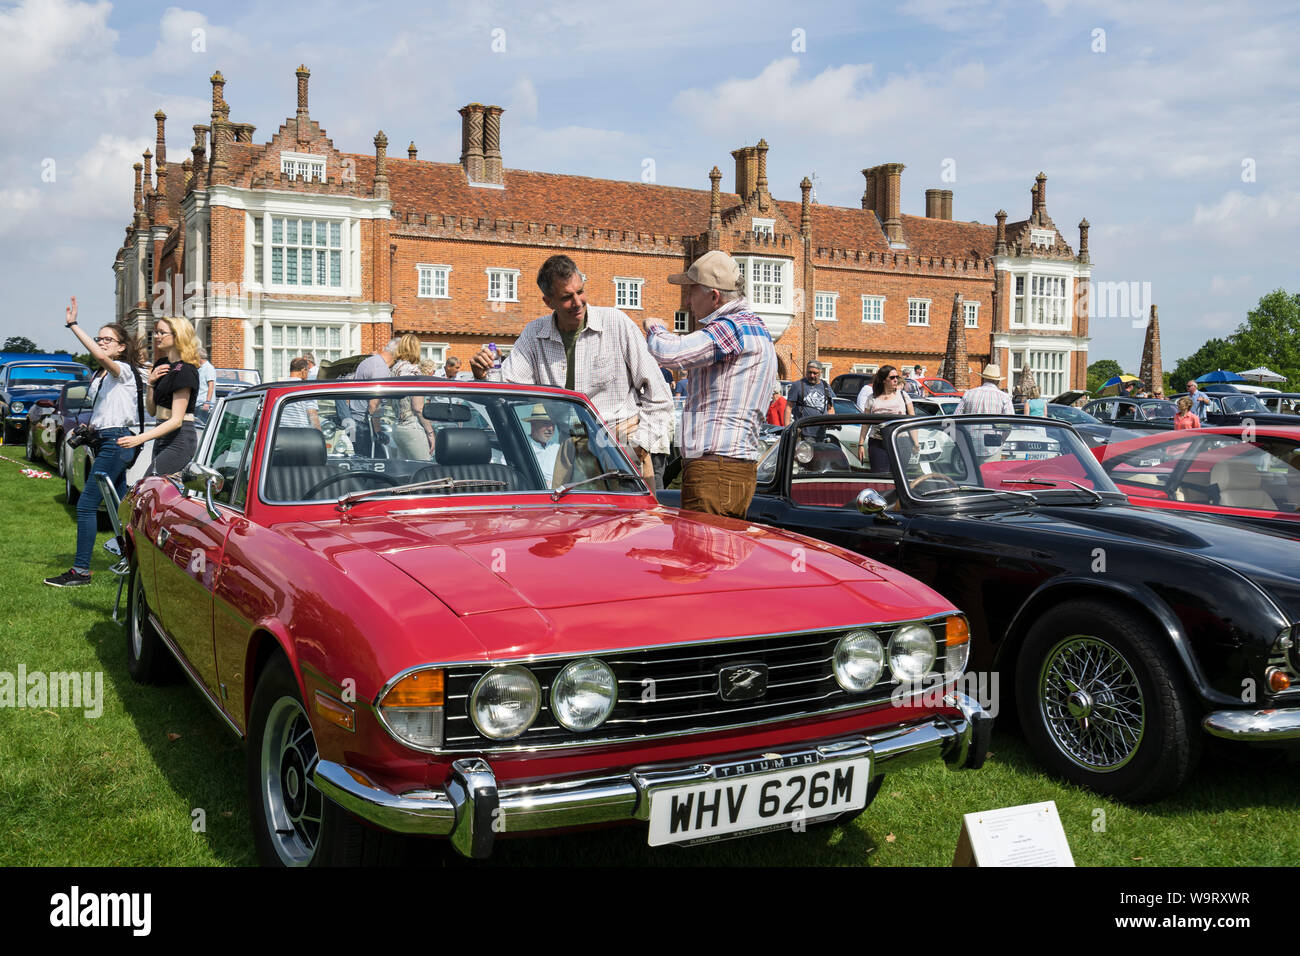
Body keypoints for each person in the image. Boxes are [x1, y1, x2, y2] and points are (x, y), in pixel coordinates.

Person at [469, 255, 672, 480]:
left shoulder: (616, 323)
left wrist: (639, 446)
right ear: (548, 302)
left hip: (622, 445)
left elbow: (660, 397)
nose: (577, 302)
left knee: (630, 517)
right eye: (567, 297)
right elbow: (507, 392)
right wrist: (482, 375)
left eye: (580, 291)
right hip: (571, 450)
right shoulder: (534, 335)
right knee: (569, 515)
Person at [643, 250, 777, 518]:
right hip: (733, 465)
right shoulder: (755, 327)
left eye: (692, 292)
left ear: (714, 296)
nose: (687, 300)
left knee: (704, 554)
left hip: (715, 467)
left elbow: (669, 353)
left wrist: (654, 327)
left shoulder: (731, 327)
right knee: (720, 554)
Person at [44, 298, 144, 588]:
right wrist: (91, 427)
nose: (102, 343)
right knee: (123, 505)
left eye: (107, 340)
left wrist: (74, 326)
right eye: (99, 338)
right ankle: (135, 557)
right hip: (106, 440)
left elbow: (101, 359)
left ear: (121, 347)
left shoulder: (122, 370)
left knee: (87, 505)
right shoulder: (104, 377)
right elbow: (108, 410)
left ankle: (81, 571)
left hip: (116, 442)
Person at [118, 315, 201, 476]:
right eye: (156, 332)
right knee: (156, 488)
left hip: (180, 438)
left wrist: (140, 439)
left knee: (151, 483)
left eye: (162, 332)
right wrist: (150, 383)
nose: (156, 336)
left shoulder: (185, 370)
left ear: (178, 335)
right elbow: (152, 411)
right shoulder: (161, 365)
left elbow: (176, 421)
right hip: (161, 432)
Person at [855, 365, 914, 471]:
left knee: (899, 477)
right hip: (878, 443)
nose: (896, 380)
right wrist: (861, 444)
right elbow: (865, 423)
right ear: (883, 380)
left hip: (901, 441)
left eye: (897, 377)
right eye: (892, 377)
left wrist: (916, 443)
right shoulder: (872, 398)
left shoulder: (903, 395)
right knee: (880, 477)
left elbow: (912, 420)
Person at [346, 339, 398, 457]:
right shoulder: (381, 369)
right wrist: (377, 431)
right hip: (365, 426)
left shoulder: (369, 361)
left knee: (360, 459)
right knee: (378, 462)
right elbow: (374, 405)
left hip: (355, 420)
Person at [387, 333, 434, 459]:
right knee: (424, 469)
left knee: (404, 471)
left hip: (397, 426)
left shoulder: (393, 369)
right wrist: (430, 432)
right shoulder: (414, 371)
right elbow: (418, 408)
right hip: (411, 425)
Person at [280, 357, 321, 430]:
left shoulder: (279, 387)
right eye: (308, 371)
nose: (308, 374)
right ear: (303, 370)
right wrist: (320, 437)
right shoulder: (307, 389)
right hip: (300, 434)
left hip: (280, 434)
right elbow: (313, 416)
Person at [525, 403, 561, 486]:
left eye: (553, 424)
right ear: (533, 424)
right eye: (546, 423)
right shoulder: (522, 446)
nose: (551, 428)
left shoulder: (557, 448)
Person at [196, 347, 216, 415]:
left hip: (204, 404)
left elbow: (211, 386)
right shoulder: (200, 368)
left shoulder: (208, 368)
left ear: (199, 357)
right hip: (198, 403)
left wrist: (207, 403)